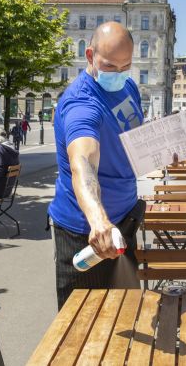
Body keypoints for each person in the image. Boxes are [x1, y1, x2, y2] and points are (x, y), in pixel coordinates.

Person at [48, 22, 145, 309]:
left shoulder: (128, 86)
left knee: (125, 315)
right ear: (90, 56)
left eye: (125, 65)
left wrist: (161, 150)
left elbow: (131, 134)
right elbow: (83, 163)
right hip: (87, 235)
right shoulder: (81, 103)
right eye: (110, 66)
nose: (118, 74)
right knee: (82, 333)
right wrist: (98, 220)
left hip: (123, 223)